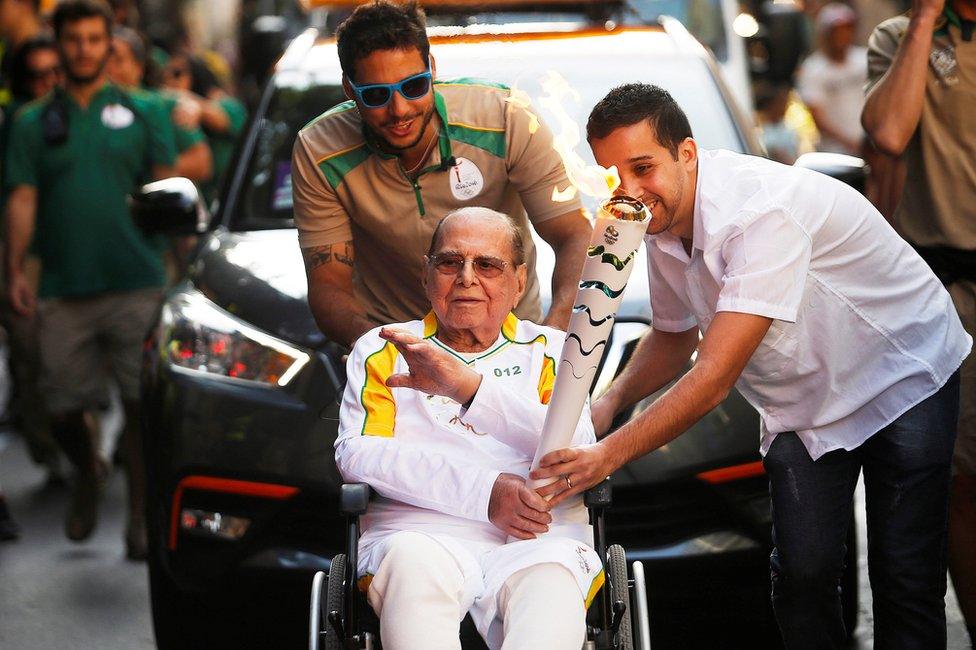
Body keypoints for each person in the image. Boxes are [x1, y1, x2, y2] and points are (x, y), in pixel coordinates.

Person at [529, 83, 971, 649]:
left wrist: (605, 454)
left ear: (686, 153)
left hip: (903, 370)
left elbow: (712, 379)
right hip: (804, 400)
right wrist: (608, 401)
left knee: (903, 576)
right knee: (801, 578)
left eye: (643, 167)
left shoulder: (761, 211)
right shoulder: (657, 217)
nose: (630, 192)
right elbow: (672, 335)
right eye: (614, 174)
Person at [336, 207, 601, 650]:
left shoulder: (553, 352)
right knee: (413, 571)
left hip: (538, 540)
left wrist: (471, 391)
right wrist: (484, 494)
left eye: (487, 265)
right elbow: (358, 455)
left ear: (519, 281)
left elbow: (574, 450)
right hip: (417, 535)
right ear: (427, 275)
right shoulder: (385, 349)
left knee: (550, 601)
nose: (466, 278)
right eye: (449, 262)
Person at [292, 0, 591, 348]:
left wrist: (551, 339)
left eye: (414, 86)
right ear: (349, 90)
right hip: (397, 349)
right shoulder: (319, 150)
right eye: (376, 95)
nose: (399, 109)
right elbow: (330, 287)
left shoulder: (505, 118)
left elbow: (574, 236)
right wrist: (385, 352)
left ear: (432, 69)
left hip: (512, 344)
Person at [3, 0, 176, 559]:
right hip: (62, 287)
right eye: (72, 38)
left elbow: (168, 189)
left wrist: (183, 264)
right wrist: (14, 268)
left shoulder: (145, 110)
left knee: (140, 409)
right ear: (59, 42)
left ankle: (141, 523)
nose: (83, 48)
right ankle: (88, 470)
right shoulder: (31, 122)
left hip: (138, 280)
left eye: (93, 38)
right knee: (58, 408)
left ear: (108, 44)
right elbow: (23, 197)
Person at [862, 0, 976, 643]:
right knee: (960, 481)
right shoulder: (902, 37)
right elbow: (888, 133)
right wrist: (928, 20)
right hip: (950, 294)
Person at [107, 26, 212, 183]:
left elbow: (201, 164)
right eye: (105, 61)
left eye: (119, 61)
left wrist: (144, 168)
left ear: (139, 67)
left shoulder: (163, 105)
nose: (110, 69)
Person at [161, 51, 246, 204]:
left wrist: (194, 104)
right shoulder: (176, 108)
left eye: (177, 73)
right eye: (165, 74)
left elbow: (220, 118)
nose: (169, 79)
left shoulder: (227, 105)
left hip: (228, 200)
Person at [796, 2, 868, 155]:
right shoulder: (812, 69)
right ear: (825, 34)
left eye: (846, 29)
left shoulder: (864, 59)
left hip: (871, 147)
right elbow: (817, 115)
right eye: (836, 31)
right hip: (836, 152)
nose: (841, 36)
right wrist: (850, 143)